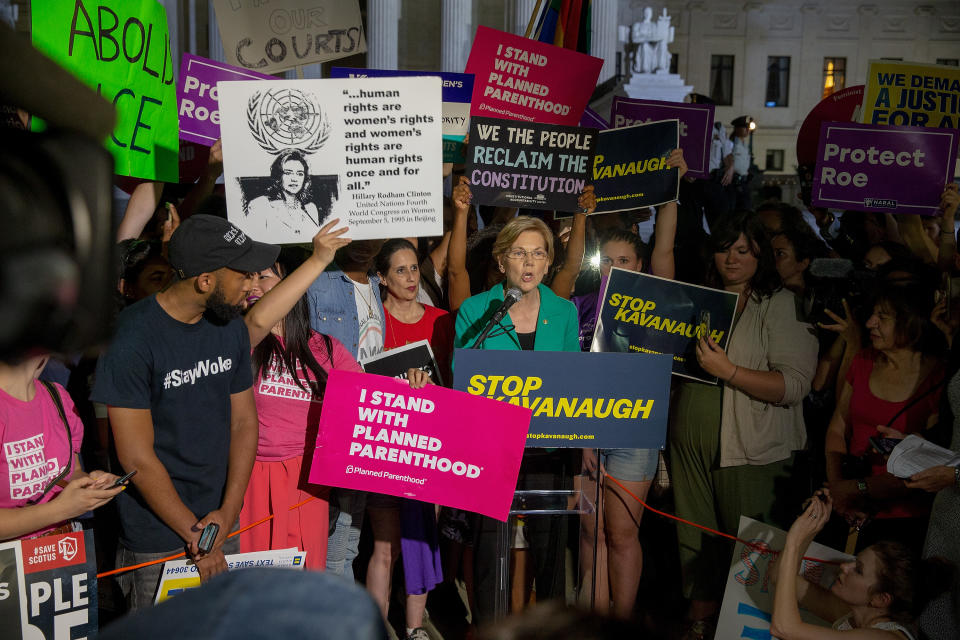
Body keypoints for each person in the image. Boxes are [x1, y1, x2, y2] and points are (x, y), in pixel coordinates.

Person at [92, 214, 278, 609]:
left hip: (221, 521)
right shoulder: (131, 338)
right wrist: (197, 537)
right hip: (158, 537)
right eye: (243, 274)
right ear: (205, 281)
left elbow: (245, 422)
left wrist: (227, 512)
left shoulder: (226, 325)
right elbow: (136, 457)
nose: (253, 284)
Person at [670, 211, 818, 638]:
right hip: (690, 449)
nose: (731, 259)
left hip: (751, 450)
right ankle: (698, 624)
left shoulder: (780, 303)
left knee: (752, 555)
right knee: (694, 540)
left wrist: (729, 370)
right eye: (724, 249)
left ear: (760, 254)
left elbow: (793, 385)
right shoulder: (700, 300)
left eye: (743, 250)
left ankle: (746, 631)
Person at [454, 214, 585, 624]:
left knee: (549, 552)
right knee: (492, 549)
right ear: (500, 261)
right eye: (519, 253)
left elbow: (575, 388)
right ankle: (491, 631)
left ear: (549, 263)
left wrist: (580, 463)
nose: (529, 263)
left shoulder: (564, 313)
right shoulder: (476, 310)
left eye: (538, 254)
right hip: (492, 451)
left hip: (549, 450)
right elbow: (464, 388)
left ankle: (550, 631)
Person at [238, 220, 355, 570]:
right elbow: (258, 321)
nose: (254, 285)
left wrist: (412, 385)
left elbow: (371, 402)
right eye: (249, 277)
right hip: (250, 479)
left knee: (303, 586)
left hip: (308, 485)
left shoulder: (327, 349)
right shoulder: (239, 339)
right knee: (255, 585)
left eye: (264, 276)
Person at [364, 238, 453, 639]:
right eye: (399, 270)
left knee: (420, 540)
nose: (411, 277)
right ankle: (374, 627)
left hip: (428, 447)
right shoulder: (369, 321)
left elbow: (454, 387)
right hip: (384, 448)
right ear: (381, 277)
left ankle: (416, 629)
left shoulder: (442, 320)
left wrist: (431, 388)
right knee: (386, 546)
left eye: (414, 268)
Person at [824, 284, 944, 552]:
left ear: (911, 321)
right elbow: (837, 427)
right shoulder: (864, 360)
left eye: (883, 317)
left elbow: (929, 460)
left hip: (905, 516)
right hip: (850, 507)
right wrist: (839, 490)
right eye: (872, 314)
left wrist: (854, 489)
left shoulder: (938, 377)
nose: (869, 323)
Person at [771, 489, 953, 639]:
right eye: (854, 562)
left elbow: (784, 628)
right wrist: (813, 526)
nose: (844, 567)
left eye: (858, 570)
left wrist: (795, 541)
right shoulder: (851, 617)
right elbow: (779, 577)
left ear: (880, 599)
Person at [307, 237, 386, 579]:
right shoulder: (319, 283)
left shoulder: (374, 284)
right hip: (333, 423)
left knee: (350, 536)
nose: (367, 241)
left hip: (368, 423)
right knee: (335, 540)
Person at [1, 353, 124, 540]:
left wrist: (88, 484)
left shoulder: (56, 396)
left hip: (61, 552)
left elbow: (70, 472)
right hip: (9, 563)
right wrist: (60, 509)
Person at [247, 150, 328, 239]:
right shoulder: (260, 205)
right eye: (288, 173)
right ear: (278, 176)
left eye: (300, 174)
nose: (294, 179)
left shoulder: (310, 209)